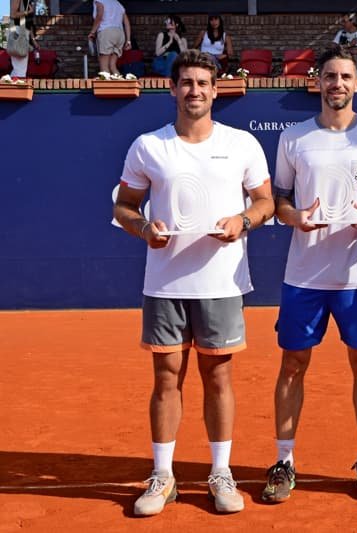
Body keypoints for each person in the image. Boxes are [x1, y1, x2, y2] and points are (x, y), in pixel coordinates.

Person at [112, 50, 275, 516]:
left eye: (203, 83)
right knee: (166, 378)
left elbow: (264, 202)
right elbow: (124, 207)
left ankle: (220, 473)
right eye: (186, 82)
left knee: (218, 377)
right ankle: (163, 476)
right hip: (164, 285)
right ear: (172, 89)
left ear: (215, 89)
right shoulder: (148, 146)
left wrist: (242, 221)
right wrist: (144, 229)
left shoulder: (242, 144)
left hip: (221, 283)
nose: (195, 90)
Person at [261, 45, 357, 504]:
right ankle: (284, 460)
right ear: (317, 82)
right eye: (330, 76)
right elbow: (278, 199)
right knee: (292, 365)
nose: (337, 84)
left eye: (346, 77)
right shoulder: (294, 138)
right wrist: (295, 218)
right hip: (304, 275)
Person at [88, 0, 131, 76]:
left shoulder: (99, 1)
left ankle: (105, 87)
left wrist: (92, 32)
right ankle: (119, 85)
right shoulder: (117, 3)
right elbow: (127, 23)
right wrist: (128, 40)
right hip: (120, 33)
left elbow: (99, 16)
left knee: (104, 68)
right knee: (113, 66)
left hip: (106, 32)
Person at [9, 0, 41, 78]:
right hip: (18, 31)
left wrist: (33, 40)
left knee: (20, 68)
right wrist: (28, 12)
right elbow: (13, 14)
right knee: (20, 68)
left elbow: (28, 24)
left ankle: (9, 86)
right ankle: (12, 87)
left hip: (24, 32)